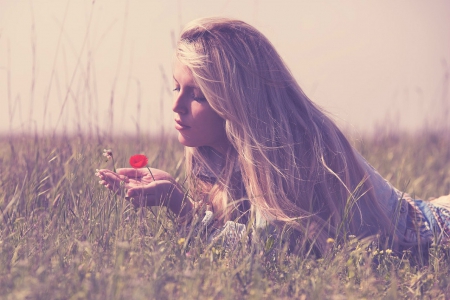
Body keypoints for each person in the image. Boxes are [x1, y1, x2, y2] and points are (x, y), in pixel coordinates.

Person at [96, 17, 450, 257]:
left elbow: (265, 255)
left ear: (237, 100)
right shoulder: (214, 152)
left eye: (198, 95)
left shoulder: (290, 150)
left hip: (433, 236)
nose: (176, 104)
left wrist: (181, 208)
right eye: (176, 87)